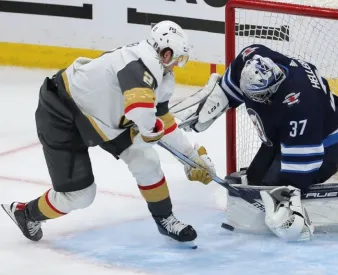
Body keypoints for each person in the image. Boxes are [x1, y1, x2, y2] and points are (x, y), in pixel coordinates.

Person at [1, 21, 215, 248]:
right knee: (80, 196)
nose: (177, 66)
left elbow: (162, 123)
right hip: (62, 113)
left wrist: (191, 157)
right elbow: (144, 117)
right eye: (177, 59)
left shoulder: (155, 70)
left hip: (102, 119)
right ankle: (26, 214)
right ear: (165, 52)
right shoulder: (136, 64)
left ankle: (164, 218)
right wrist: (153, 131)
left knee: (146, 160)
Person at [171, 44, 338, 241]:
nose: (258, 100)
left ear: (276, 84)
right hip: (284, 137)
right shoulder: (251, 57)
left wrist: (286, 198)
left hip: (330, 145)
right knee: (254, 183)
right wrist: (207, 105)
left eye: (262, 96)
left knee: (272, 191)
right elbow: (229, 87)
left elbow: (301, 169)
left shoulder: (300, 106)